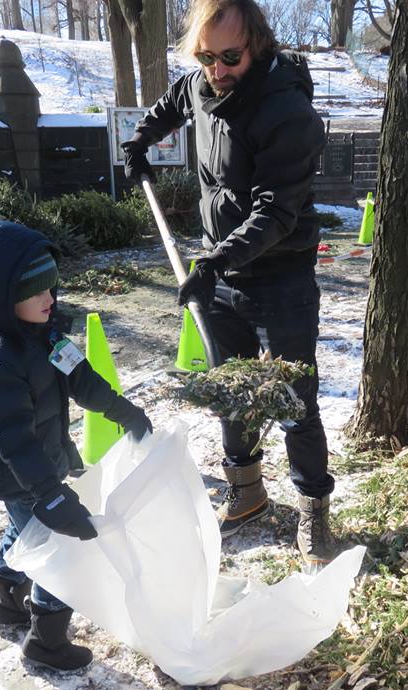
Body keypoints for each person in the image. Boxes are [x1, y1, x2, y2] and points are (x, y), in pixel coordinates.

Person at [120, 0, 334, 568]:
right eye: (206, 56)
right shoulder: (202, 83)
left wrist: (214, 261)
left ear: (257, 45)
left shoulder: (287, 112)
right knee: (230, 391)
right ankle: (248, 491)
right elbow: (173, 102)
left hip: (282, 273)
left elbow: (276, 212)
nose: (217, 70)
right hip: (222, 271)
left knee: (293, 397)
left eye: (230, 57)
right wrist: (141, 141)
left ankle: (313, 507)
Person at [0, 220, 153, 670]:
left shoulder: (43, 333)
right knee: (57, 552)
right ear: (2, 298)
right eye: (35, 292)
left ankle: (8, 601)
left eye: (52, 288)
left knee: (24, 533)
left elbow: (82, 379)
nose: (50, 299)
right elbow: (14, 441)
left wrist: (126, 413)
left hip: (40, 462)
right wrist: (50, 496)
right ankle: (46, 642)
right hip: (19, 472)